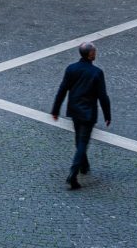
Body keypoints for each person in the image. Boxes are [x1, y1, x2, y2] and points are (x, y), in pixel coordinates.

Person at [51, 41, 111, 189]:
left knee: (79, 139)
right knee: (83, 141)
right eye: (94, 51)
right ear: (91, 55)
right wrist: (107, 114)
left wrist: (55, 109)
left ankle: (84, 166)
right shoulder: (96, 72)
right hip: (88, 112)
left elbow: (62, 90)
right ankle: (74, 172)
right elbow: (103, 96)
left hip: (74, 110)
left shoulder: (71, 69)